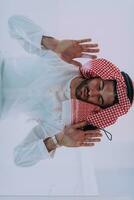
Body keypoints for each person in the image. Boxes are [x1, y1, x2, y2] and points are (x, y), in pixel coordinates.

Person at [1, 15, 133, 167]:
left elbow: (20, 158)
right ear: (98, 76)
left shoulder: (60, 123)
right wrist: (53, 44)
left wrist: (57, 141)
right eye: (100, 86)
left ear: (98, 108)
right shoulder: (61, 60)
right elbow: (13, 23)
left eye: (100, 99)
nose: (92, 93)